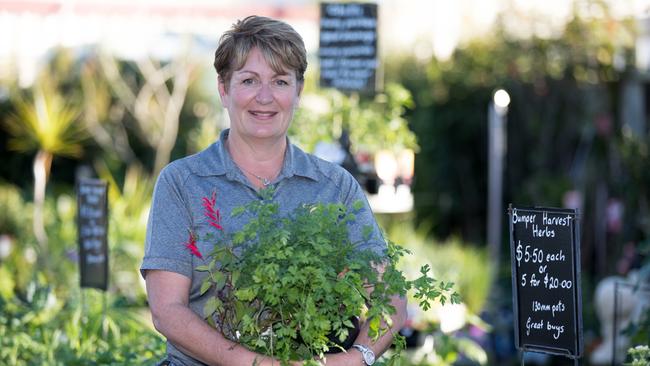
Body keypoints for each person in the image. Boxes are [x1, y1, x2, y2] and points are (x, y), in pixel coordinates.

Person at [141, 15, 407, 366]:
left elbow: (389, 299)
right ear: (224, 89)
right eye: (249, 80)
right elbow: (167, 311)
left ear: (298, 91)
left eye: (280, 81)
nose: (264, 97)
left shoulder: (334, 187)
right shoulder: (182, 183)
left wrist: (357, 358)